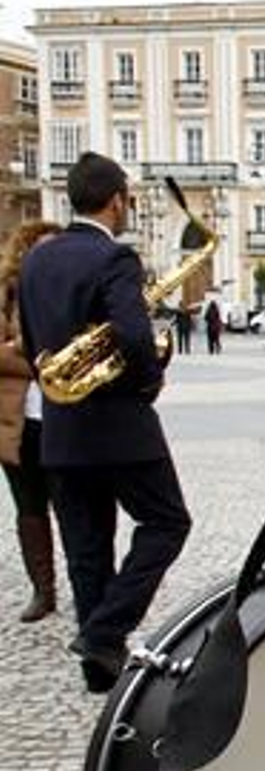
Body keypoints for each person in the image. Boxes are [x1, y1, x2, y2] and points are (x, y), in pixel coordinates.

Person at [18, 152, 192, 693]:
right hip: (121, 427)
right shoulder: (115, 259)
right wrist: (147, 380)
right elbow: (136, 337)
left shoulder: (35, 262)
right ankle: (106, 630)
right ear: (116, 200)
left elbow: (31, 345)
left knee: (86, 545)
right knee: (167, 522)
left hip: (61, 428)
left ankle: (99, 662)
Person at [0, 220, 62, 623]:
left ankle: (90, 584)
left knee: (75, 507)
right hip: (17, 420)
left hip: (64, 417)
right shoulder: (7, 295)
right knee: (30, 507)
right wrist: (43, 364)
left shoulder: (66, 293)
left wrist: (19, 352)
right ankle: (43, 589)